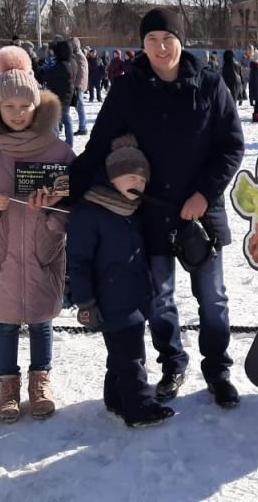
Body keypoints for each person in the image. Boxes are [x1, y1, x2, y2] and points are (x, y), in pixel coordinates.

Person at [69, 8, 245, 409]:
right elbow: (98, 147)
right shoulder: (128, 88)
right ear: (142, 45)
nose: (161, 48)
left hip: (201, 214)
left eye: (168, 39)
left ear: (181, 41)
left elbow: (231, 147)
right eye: (152, 40)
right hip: (150, 214)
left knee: (213, 299)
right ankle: (173, 364)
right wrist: (64, 189)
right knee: (160, 299)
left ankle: (218, 370)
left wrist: (204, 194)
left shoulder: (210, 85)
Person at [0, 46, 75, 423]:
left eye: (26, 106)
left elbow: (77, 202)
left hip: (43, 248)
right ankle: (7, 386)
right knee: (4, 324)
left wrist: (54, 215)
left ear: (38, 107)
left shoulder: (58, 150)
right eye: (10, 107)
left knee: (41, 321)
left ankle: (40, 382)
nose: (18, 113)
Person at [67, 135, 176, 428]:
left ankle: (116, 397)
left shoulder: (132, 211)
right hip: (109, 300)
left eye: (142, 180)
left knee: (121, 353)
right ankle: (140, 406)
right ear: (111, 178)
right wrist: (85, 302)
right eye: (130, 177)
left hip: (134, 296)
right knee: (131, 356)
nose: (137, 184)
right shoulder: (89, 213)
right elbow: (78, 262)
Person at [44, 38, 76, 146]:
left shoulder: (62, 65)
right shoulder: (70, 62)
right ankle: (69, 142)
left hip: (60, 96)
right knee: (65, 118)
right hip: (65, 95)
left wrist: (44, 71)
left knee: (57, 120)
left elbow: (49, 76)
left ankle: (59, 144)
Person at [71, 37, 89, 135]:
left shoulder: (79, 56)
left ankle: (83, 128)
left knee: (80, 106)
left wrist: (78, 85)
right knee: (78, 107)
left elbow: (82, 73)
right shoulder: (75, 55)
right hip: (77, 85)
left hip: (78, 86)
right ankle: (82, 127)